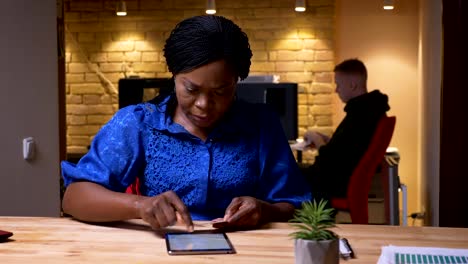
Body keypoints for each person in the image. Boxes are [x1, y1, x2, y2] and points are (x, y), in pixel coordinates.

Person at [61, 15, 311, 232]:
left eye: (221, 91)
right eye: (191, 89)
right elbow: (74, 198)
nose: (203, 104)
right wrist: (141, 206)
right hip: (159, 249)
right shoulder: (139, 122)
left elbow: (295, 205)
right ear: (173, 75)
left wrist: (264, 210)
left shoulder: (261, 124)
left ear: (237, 81)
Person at [303, 58, 390, 203]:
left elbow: (330, 160)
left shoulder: (361, 115)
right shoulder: (368, 110)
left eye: (338, 84)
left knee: (279, 173)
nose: (336, 90)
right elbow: (348, 150)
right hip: (337, 177)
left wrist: (316, 139)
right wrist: (328, 141)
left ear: (352, 85)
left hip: (333, 183)